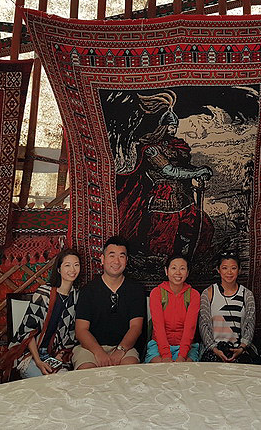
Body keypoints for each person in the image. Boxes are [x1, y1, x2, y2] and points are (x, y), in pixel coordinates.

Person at [117, 90, 214, 258]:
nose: (173, 130)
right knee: (161, 246)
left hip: (184, 199)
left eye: (175, 126)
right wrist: (197, 171)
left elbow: (183, 166)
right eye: (170, 126)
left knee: (204, 228)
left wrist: (199, 173)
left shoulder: (176, 146)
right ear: (162, 126)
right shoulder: (152, 149)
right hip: (163, 201)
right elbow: (169, 171)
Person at [6, 249, 81, 378]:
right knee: (47, 381)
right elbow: (28, 332)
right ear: (59, 269)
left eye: (76, 265)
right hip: (29, 354)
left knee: (65, 381)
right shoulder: (44, 293)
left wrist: (59, 357)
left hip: (54, 354)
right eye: (67, 265)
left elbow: (71, 334)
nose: (72, 269)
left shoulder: (76, 297)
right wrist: (39, 362)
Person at [73, 236, 146, 368]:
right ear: (102, 259)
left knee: (129, 372)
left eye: (121, 256)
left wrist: (120, 351)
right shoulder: (88, 290)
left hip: (124, 348)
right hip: (90, 348)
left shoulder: (136, 290)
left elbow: (136, 327)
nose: (116, 261)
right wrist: (99, 352)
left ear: (127, 260)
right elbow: (81, 330)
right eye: (112, 256)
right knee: (87, 374)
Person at [198, 251, 258, 363]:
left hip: (240, 349)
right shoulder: (208, 293)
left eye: (233, 268)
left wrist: (241, 347)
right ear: (218, 270)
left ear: (239, 270)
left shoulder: (247, 295)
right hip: (213, 349)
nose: (229, 272)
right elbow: (203, 324)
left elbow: (250, 324)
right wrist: (214, 348)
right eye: (225, 268)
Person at [145, 254, 201, 363]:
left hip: (187, 346)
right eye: (174, 268)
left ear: (188, 272)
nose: (178, 273)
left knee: (186, 370)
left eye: (182, 269)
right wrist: (166, 355)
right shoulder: (157, 293)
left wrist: (182, 356)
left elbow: (190, 328)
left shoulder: (194, 295)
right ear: (166, 271)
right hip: (158, 346)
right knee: (160, 369)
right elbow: (158, 327)